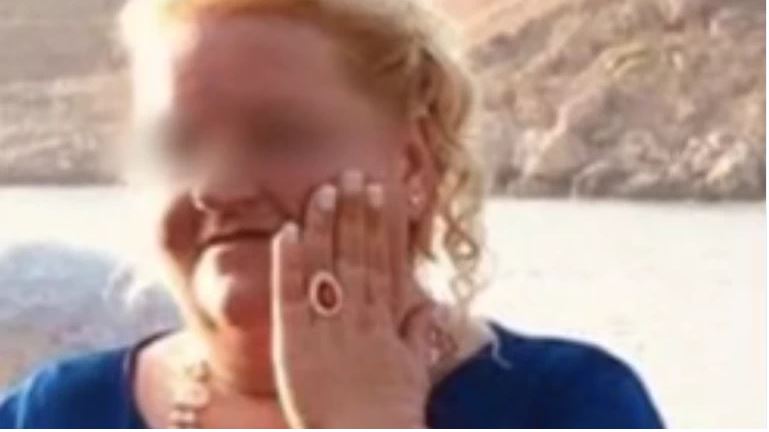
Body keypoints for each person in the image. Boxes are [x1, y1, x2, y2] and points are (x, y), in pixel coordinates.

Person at [0, 0, 664, 428]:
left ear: (411, 165)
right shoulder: (55, 413)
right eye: (178, 145)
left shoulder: (567, 405)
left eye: (280, 135)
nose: (218, 187)